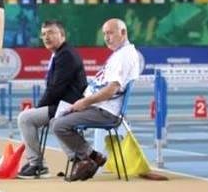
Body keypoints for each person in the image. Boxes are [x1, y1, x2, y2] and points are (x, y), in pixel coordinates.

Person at [50, 18, 142, 182]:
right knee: (57, 118)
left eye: (110, 33)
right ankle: (91, 157)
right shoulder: (119, 54)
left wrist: (84, 103)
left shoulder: (124, 56)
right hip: (98, 106)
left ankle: (87, 159)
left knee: (59, 124)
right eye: (104, 33)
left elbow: (111, 89)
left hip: (106, 111)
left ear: (123, 33)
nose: (107, 37)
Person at [15, 20, 87, 179]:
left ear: (62, 35)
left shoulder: (66, 55)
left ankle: (36, 164)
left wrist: (38, 108)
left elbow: (55, 89)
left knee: (25, 118)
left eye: (51, 33)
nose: (46, 37)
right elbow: (54, 89)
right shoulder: (60, 54)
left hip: (69, 105)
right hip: (63, 105)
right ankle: (78, 158)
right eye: (44, 34)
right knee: (49, 120)